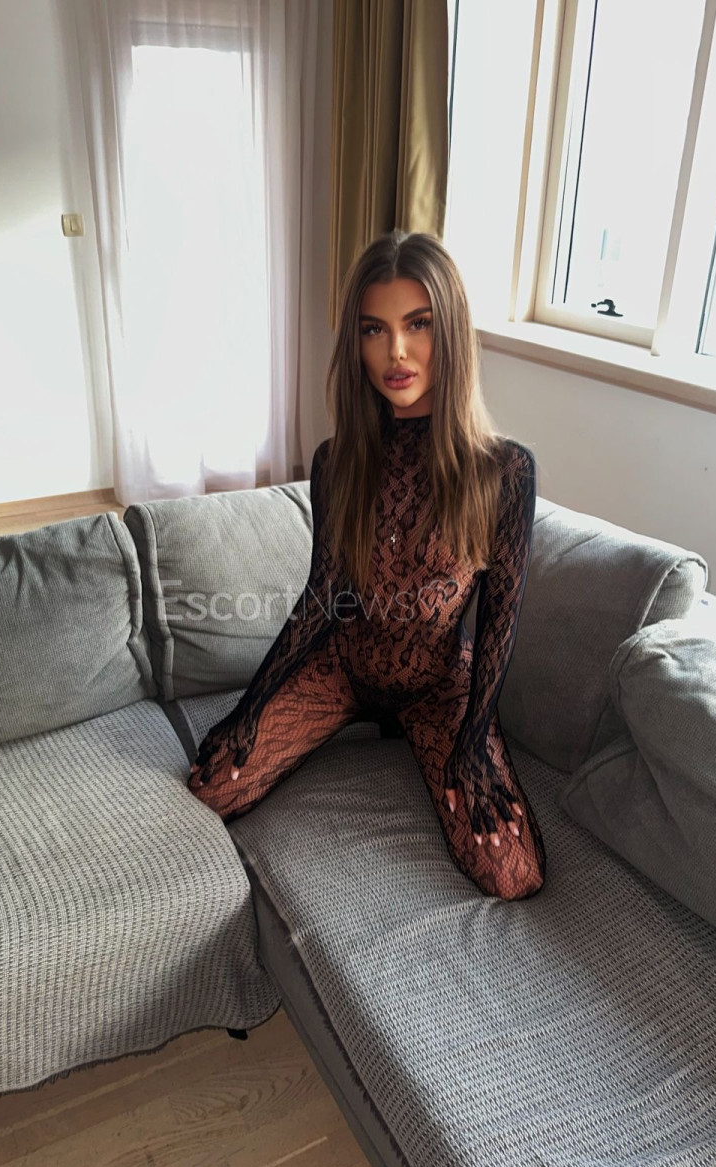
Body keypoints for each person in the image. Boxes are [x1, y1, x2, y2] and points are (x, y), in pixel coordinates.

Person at [186, 229, 546, 901]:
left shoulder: (504, 471)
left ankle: (424, 735)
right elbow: (323, 594)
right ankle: (350, 719)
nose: (395, 351)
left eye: (418, 324)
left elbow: (500, 623)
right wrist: (249, 708)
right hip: (344, 668)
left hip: (438, 686)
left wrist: (473, 740)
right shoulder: (337, 461)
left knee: (512, 873)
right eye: (374, 329)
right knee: (211, 786)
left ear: (451, 332)